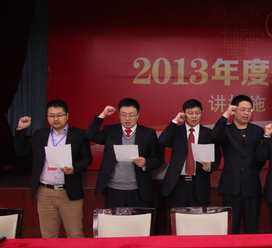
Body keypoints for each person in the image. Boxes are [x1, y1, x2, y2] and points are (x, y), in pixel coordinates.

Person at [13, 99, 93, 238]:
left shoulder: (79, 134)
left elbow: (87, 158)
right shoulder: (40, 135)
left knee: (75, 234)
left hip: (69, 192)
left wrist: (74, 168)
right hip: (45, 192)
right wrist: (21, 129)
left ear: (67, 115)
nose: (55, 119)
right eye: (51, 115)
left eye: (59, 115)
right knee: (48, 236)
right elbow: (21, 151)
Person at [85, 98, 164, 208]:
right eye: (123, 115)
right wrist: (103, 115)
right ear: (119, 115)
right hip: (113, 189)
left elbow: (158, 158)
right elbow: (89, 135)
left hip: (138, 189)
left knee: (138, 219)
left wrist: (146, 162)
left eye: (131, 115)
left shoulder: (148, 133)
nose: (127, 118)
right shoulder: (110, 131)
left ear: (138, 115)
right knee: (115, 219)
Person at [159, 99, 228, 208]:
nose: (194, 116)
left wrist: (210, 166)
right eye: (190, 113)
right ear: (184, 114)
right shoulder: (176, 131)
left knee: (198, 217)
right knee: (177, 216)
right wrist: (175, 121)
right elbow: (162, 141)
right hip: (177, 183)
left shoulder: (209, 134)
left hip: (199, 184)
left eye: (197, 113)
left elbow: (217, 156)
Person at [214, 95, 265, 234]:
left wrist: (252, 170)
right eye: (242, 109)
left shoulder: (258, 131)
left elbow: (261, 158)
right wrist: (225, 114)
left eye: (249, 110)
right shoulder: (225, 130)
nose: (246, 113)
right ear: (234, 110)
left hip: (251, 185)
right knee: (231, 227)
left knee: (252, 227)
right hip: (231, 185)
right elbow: (215, 137)